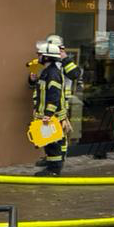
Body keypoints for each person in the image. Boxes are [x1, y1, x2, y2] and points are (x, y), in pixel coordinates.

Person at [32, 41, 70, 176]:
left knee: (53, 144)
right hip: (48, 115)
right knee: (49, 142)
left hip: (52, 116)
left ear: (47, 57)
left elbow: (53, 96)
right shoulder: (47, 72)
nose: (38, 57)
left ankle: (54, 170)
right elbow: (41, 92)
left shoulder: (52, 73)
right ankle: (52, 166)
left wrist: (48, 113)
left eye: (40, 55)